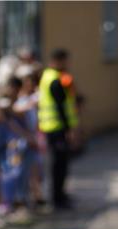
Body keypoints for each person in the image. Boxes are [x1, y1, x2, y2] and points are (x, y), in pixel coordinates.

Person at [38, 48, 79, 209]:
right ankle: (57, 198)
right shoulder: (54, 79)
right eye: (66, 60)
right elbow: (61, 106)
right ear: (58, 61)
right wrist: (70, 129)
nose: (68, 64)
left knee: (60, 163)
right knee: (58, 164)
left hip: (53, 127)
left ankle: (60, 195)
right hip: (56, 128)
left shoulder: (49, 76)